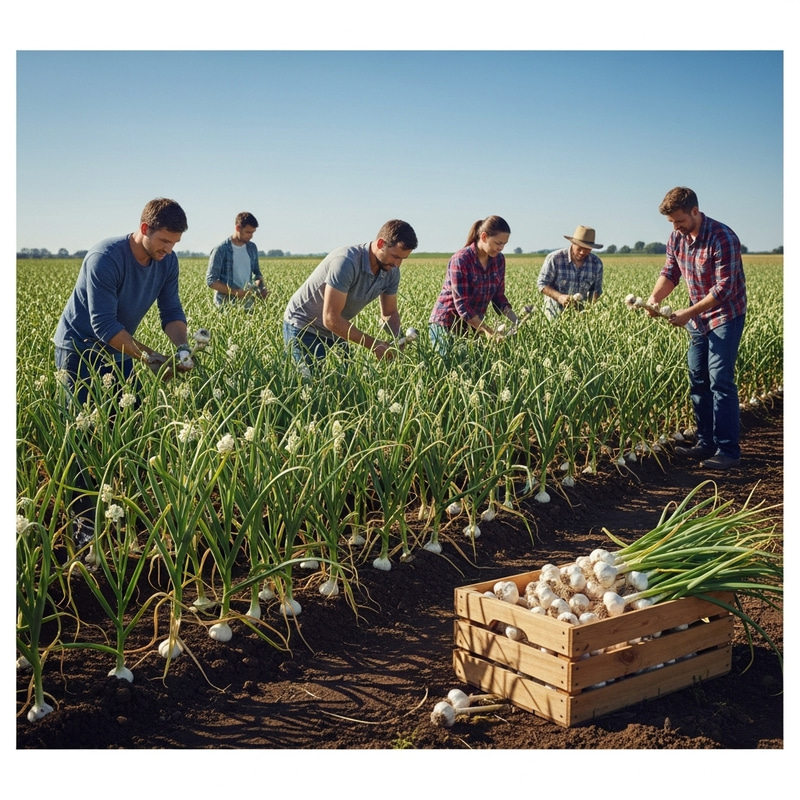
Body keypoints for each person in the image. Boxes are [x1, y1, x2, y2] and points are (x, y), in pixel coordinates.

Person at [53, 197, 195, 542]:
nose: (168, 249)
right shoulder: (106, 258)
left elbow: (171, 311)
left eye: (175, 243)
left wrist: (182, 350)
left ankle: (122, 510)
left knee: (130, 428)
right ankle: (85, 523)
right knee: (84, 435)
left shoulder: (167, 261)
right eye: (164, 241)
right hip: (80, 351)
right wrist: (149, 359)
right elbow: (103, 325)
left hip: (120, 350)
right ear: (145, 229)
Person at [646, 186, 747, 471]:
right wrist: (654, 300)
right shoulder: (677, 237)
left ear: (694, 211)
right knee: (697, 379)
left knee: (720, 380)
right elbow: (670, 272)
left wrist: (687, 313)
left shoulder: (722, 237)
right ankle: (706, 442)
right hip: (698, 319)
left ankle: (728, 451)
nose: (676, 227)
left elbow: (724, 289)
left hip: (725, 315)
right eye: (671, 223)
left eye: (679, 220)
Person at [283, 219, 418, 368]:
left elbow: (389, 313)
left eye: (402, 259)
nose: (397, 264)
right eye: (395, 256)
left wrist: (398, 340)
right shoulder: (346, 262)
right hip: (305, 326)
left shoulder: (391, 271)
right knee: (312, 385)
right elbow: (330, 318)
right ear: (380, 244)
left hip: (336, 331)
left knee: (344, 382)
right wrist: (375, 345)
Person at [428, 216, 518, 355]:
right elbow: (462, 304)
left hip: (474, 324)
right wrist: (487, 331)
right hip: (447, 323)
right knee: (450, 368)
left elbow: (498, 295)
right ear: (484, 236)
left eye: (504, 244)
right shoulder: (461, 259)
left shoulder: (499, 260)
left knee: (473, 367)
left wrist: (514, 318)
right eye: (498, 243)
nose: (501, 248)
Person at [537, 225, 604, 319]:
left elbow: (596, 291)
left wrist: (589, 310)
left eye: (587, 249)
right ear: (573, 243)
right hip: (554, 314)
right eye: (579, 248)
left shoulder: (596, 263)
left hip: (580, 317)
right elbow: (542, 284)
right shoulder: (555, 258)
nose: (582, 253)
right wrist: (560, 297)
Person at [206, 211, 268, 309]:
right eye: (248, 232)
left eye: (253, 232)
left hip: (248, 304)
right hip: (225, 305)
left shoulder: (252, 248)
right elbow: (211, 281)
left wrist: (261, 289)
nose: (251, 236)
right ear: (238, 228)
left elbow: (257, 274)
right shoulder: (221, 250)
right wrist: (235, 292)